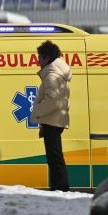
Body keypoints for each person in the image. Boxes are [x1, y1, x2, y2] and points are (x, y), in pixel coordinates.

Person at [30, 40, 71, 191]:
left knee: (54, 158)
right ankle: (59, 187)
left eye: (39, 57)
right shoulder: (56, 73)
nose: (37, 61)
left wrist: (37, 111)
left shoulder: (51, 76)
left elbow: (53, 101)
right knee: (55, 157)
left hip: (52, 122)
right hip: (55, 120)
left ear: (47, 58)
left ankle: (60, 187)